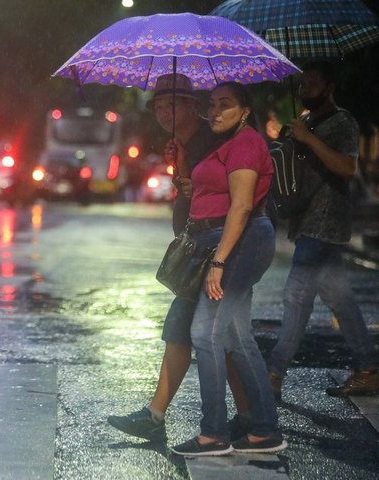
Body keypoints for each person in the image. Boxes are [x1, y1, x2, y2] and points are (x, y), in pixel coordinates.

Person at [107, 73, 252, 442]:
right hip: (200, 244)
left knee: (196, 330)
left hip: (215, 247)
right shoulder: (184, 141)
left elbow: (224, 194)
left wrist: (219, 257)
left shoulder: (213, 137)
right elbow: (191, 191)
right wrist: (181, 167)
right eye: (157, 106)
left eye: (171, 105)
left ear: (191, 105)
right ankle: (251, 415)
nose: (163, 112)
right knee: (219, 334)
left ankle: (181, 420)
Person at [169, 81, 286, 456]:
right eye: (212, 104)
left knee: (205, 332)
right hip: (225, 242)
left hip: (241, 242)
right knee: (236, 336)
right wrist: (184, 166)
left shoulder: (247, 143)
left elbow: (240, 207)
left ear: (245, 110)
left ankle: (214, 433)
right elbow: (206, 193)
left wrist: (219, 261)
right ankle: (264, 429)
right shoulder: (223, 144)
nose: (215, 111)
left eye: (226, 104)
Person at [267, 61, 379, 399]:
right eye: (302, 84)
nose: (304, 90)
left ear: (329, 88)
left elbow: (346, 167)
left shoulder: (343, 122)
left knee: (296, 298)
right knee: (340, 300)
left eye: (312, 84)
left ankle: (273, 375)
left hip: (325, 221)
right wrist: (292, 138)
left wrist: (309, 140)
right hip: (306, 221)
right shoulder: (304, 121)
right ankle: (368, 368)